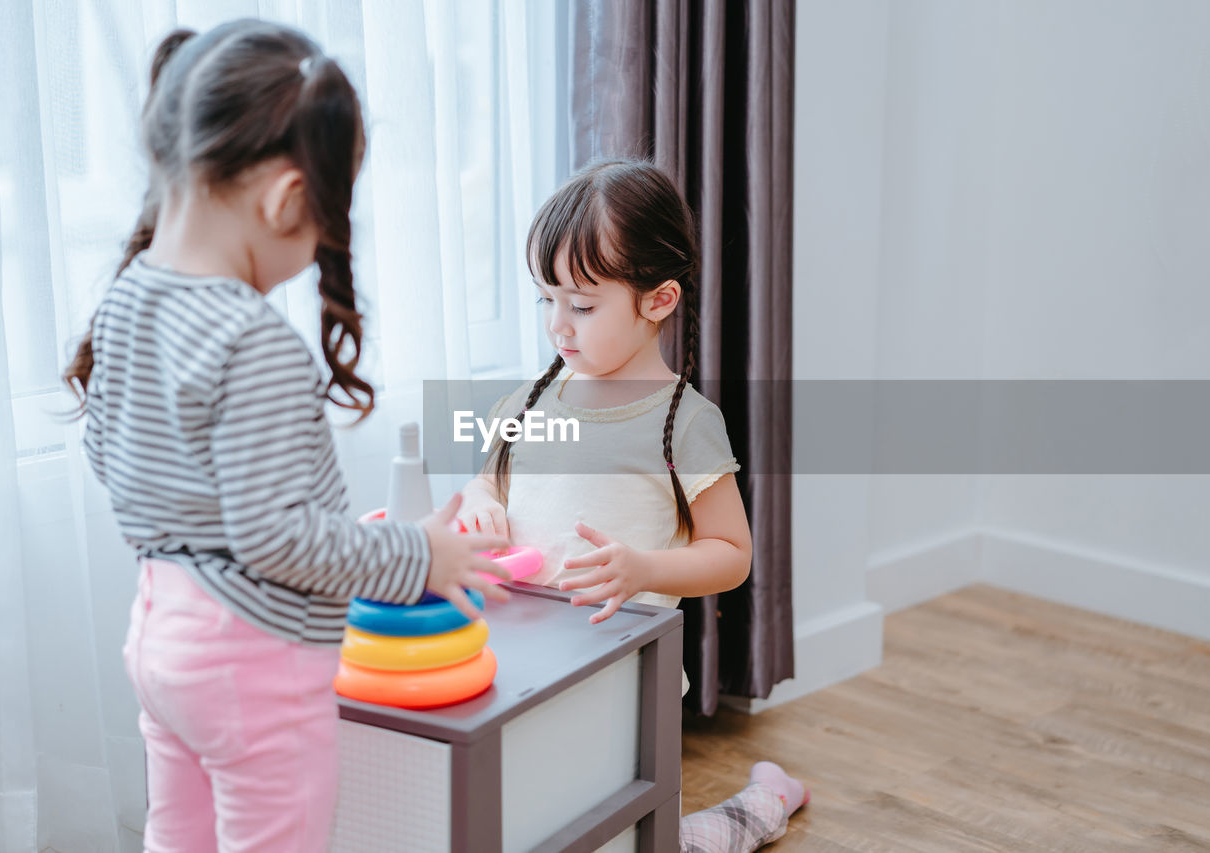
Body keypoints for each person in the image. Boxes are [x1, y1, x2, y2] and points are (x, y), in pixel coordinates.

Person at [63, 20, 508, 852]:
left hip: (162, 634)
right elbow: (274, 537)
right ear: (285, 199)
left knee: (178, 836)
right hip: (249, 659)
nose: (314, 253)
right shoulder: (250, 336)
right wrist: (423, 553)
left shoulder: (129, 298)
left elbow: (111, 458)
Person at [458, 159, 808, 852]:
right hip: (522, 665)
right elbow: (487, 485)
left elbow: (732, 555)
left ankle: (763, 801)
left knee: (633, 838)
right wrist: (476, 502)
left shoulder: (684, 422)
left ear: (659, 299)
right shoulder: (527, 402)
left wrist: (641, 567)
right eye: (545, 299)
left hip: (618, 686)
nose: (559, 325)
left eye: (582, 305)